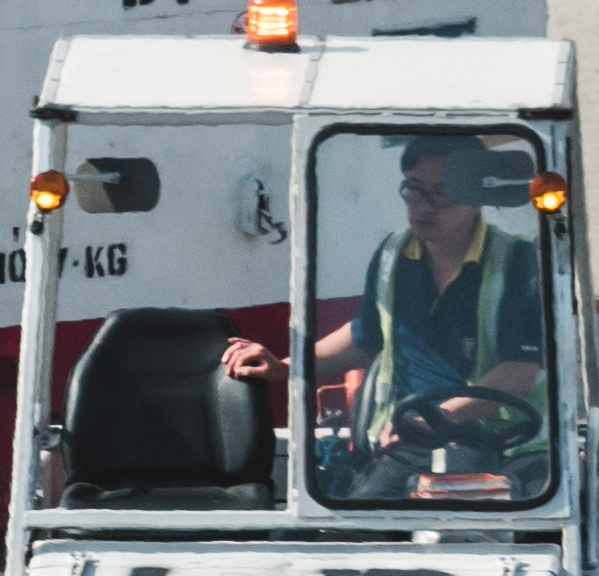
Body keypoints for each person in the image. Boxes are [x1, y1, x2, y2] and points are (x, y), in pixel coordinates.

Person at [223, 131, 551, 498]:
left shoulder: (516, 262)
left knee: (507, 532)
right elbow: (365, 338)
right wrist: (285, 366)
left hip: (508, 444)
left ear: (476, 198)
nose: (424, 206)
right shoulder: (393, 255)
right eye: (413, 188)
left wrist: (437, 416)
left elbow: (519, 374)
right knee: (352, 532)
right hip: (414, 440)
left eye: (440, 192)